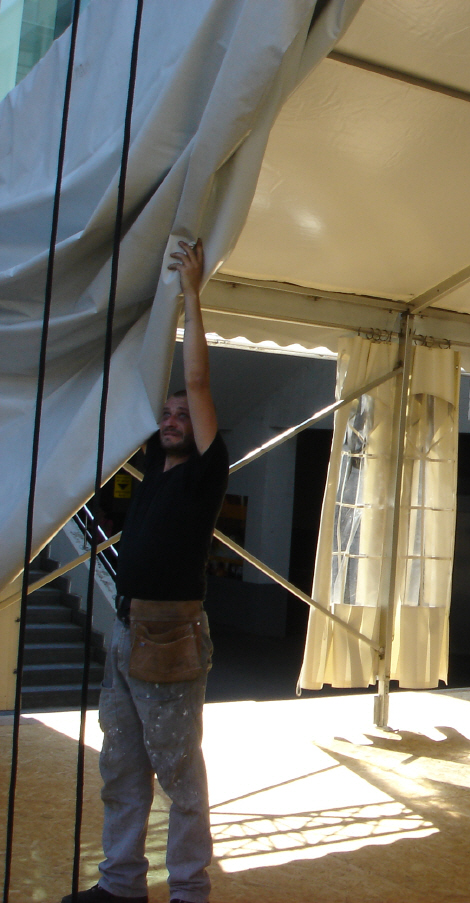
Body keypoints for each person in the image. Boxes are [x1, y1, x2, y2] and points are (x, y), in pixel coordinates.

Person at [65, 238, 228, 903]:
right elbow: (141, 387)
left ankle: (189, 890)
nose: (172, 419)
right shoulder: (154, 466)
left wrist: (189, 294)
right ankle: (121, 883)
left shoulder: (205, 472)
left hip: (170, 635)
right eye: (166, 414)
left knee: (179, 773)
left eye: (183, 416)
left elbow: (196, 382)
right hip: (128, 631)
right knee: (122, 766)